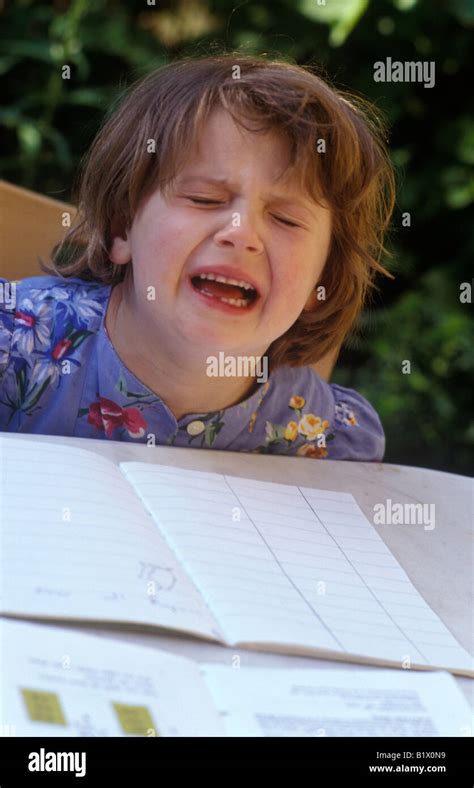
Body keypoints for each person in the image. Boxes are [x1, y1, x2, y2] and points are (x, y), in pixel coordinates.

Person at [0, 54, 395, 460]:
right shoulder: (11, 348)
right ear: (122, 229)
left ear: (321, 280)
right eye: (205, 199)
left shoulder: (318, 438)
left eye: (285, 219)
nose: (242, 233)